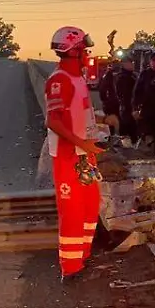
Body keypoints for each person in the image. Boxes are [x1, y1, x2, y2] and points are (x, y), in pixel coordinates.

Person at [43, 26, 104, 283]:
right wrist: (82, 143)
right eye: (83, 48)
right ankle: (70, 267)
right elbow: (53, 121)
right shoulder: (59, 81)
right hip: (69, 157)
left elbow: (79, 115)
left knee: (91, 206)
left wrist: (99, 124)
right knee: (72, 211)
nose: (87, 53)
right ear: (73, 50)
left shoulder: (77, 78)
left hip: (84, 155)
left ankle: (83, 254)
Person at [114, 61, 138, 145]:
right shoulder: (122, 77)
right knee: (127, 122)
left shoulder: (133, 76)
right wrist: (123, 102)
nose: (132, 65)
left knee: (131, 122)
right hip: (126, 103)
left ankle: (132, 140)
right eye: (130, 63)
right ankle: (126, 141)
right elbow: (121, 92)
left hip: (132, 103)